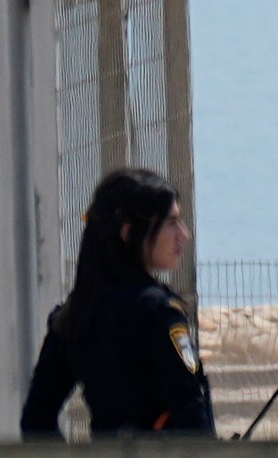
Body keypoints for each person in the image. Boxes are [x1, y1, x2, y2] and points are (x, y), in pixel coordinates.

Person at [21, 165, 213, 439]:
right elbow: (192, 415)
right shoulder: (159, 313)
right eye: (171, 222)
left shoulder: (74, 316)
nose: (184, 234)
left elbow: (36, 421)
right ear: (129, 233)